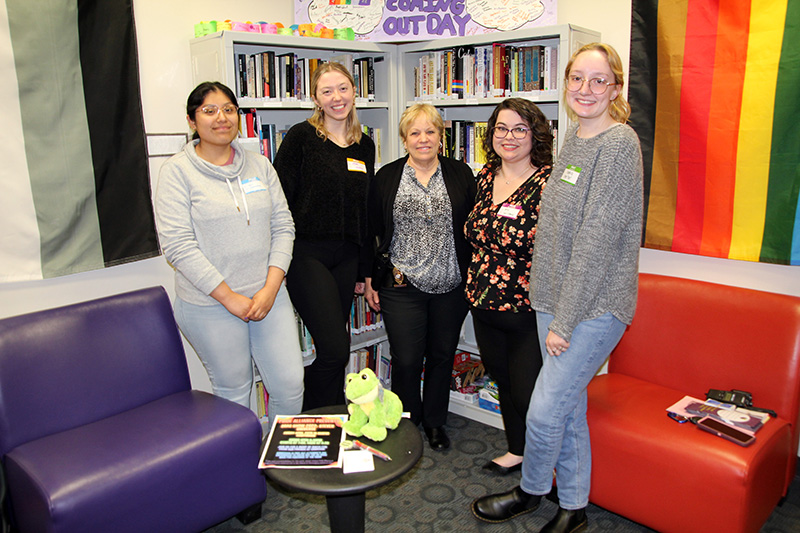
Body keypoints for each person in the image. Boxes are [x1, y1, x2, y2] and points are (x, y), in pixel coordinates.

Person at [471, 43, 643, 533]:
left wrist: (564, 321)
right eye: (577, 79)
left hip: (592, 306)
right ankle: (574, 507)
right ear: (566, 83)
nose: (585, 90)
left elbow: (596, 239)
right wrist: (550, 307)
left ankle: (530, 490)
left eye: (598, 80)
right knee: (568, 411)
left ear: (615, 87)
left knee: (544, 412)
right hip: (550, 297)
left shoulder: (617, 143)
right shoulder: (575, 140)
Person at [155, 81, 304, 428]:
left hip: (269, 295)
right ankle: (243, 474)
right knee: (235, 392)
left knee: (289, 383)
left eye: (228, 109)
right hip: (211, 304)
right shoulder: (177, 172)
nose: (221, 118)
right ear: (192, 121)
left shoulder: (260, 165)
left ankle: (281, 462)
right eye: (209, 111)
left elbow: (284, 226)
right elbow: (178, 246)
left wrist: (270, 288)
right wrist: (229, 297)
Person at [363, 103, 476, 451]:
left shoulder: (461, 174)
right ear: (404, 138)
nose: (423, 139)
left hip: (451, 284)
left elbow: (471, 227)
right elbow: (373, 229)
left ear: (441, 137)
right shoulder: (387, 176)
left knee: (442, 355)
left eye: (430, 131)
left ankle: (436, 422)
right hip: (401, 283)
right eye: (415, 132)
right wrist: (369, 278)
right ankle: (408, 420)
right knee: (407, 358)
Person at [273, 62, 376, 411]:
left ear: (354, 92)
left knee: (337, 348)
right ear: (315, 98)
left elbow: (365, 211)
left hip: (346, 255)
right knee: (334, 347)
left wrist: (366, 270)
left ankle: (333, 421)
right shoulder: (301, 138)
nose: (337, 98)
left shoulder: (365, 145)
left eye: (343, 88)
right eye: (327, 91)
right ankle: (308, 416)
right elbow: (279, 200)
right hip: (306, 253)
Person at [465, 98, 552, 474]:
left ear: (535, 135)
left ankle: (545, 462)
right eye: (501, 128)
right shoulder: (485, 175)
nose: (509, 136)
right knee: (502, 381)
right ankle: (517, 449)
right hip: (483, 303)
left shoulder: (549, 182)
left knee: (528, 392)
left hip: (527, 311)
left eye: (520, 129)